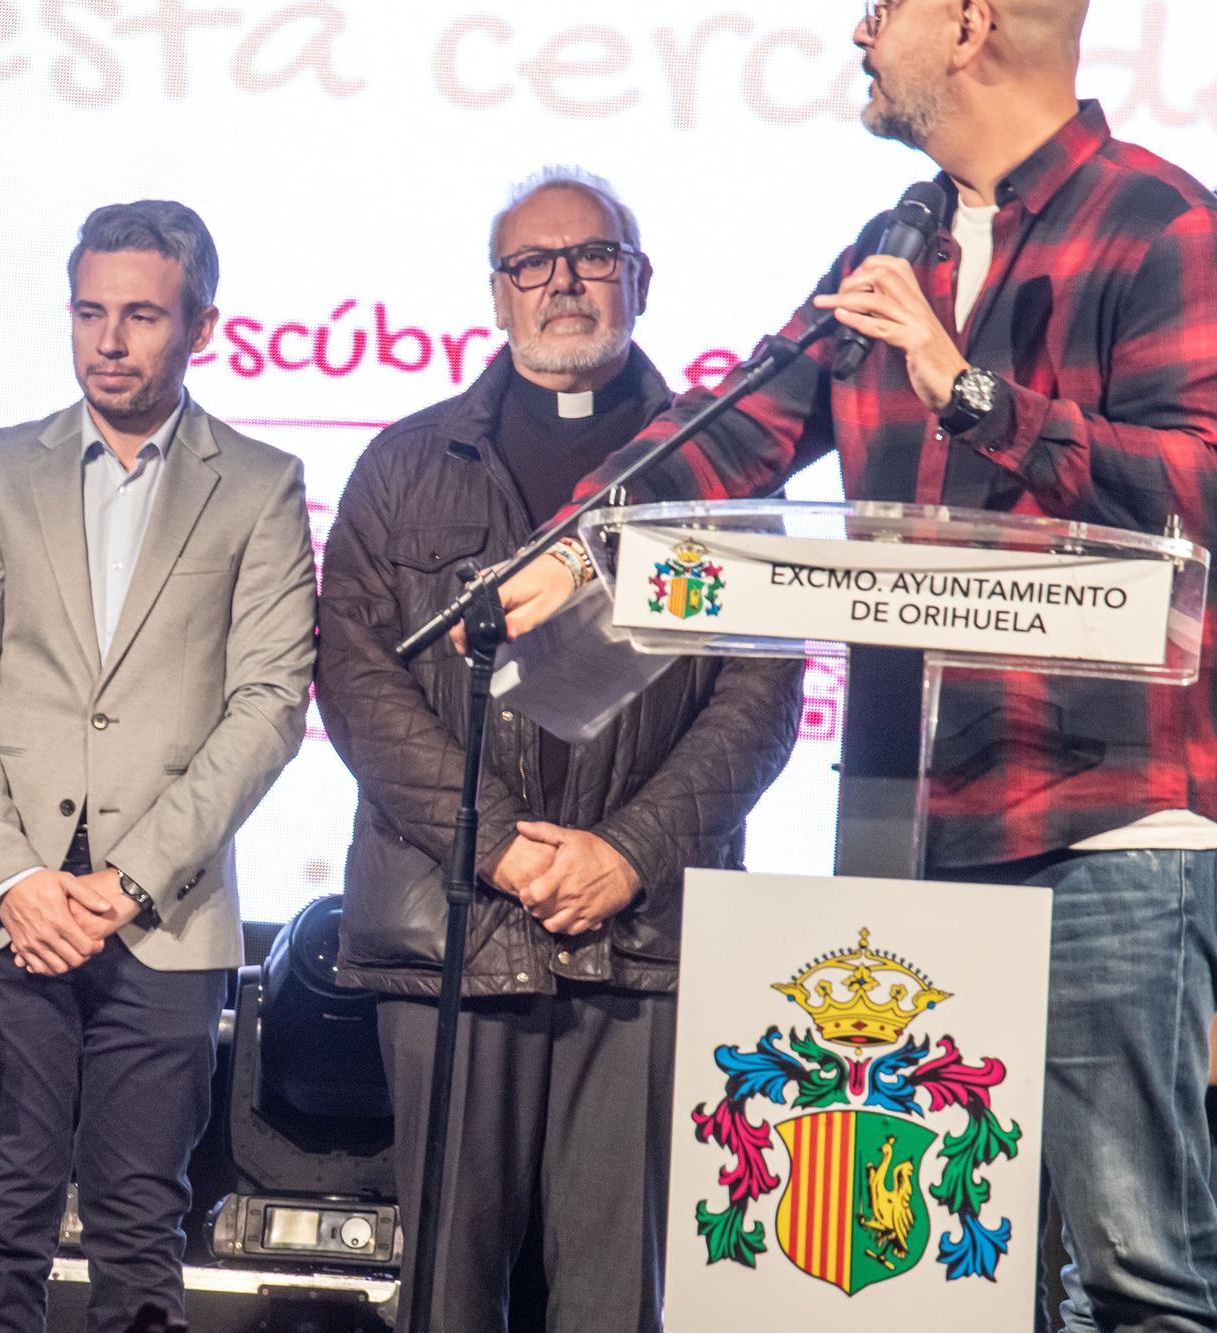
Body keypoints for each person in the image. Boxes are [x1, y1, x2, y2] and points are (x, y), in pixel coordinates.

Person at [487, 4, 1217, 1327]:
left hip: (1109, 825)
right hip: (908, 824)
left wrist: (972, 393)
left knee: (1133, 1267)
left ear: (975, 21)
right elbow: (734, 433)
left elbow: (1199, 488)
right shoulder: (899, 244)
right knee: (934, 1288)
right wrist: (581, 542)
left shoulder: (1162, 224)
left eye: (889, 7)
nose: (860, 30)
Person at [315, 167, 803, 1331]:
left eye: (590, 257)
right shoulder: (402, 463)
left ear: (638, 278)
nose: (563, 283)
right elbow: (355, 679)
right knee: (445, 1295)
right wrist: (496, 849)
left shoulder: (718, 474)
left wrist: (624, 853)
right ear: (496, 294)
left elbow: (760, 697)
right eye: (532, 263)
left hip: (643, 934)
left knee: (611, 1297)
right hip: (453, 932)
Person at [0, 199, 317, 1332]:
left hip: (166, 918)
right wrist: (11, 877)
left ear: (200, 324)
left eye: (141, 315)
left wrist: (127, 882)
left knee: (137, 1225)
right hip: (15, 913)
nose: (108, 339)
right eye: (89, 311)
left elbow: (267, 706)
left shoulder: (256, 482)